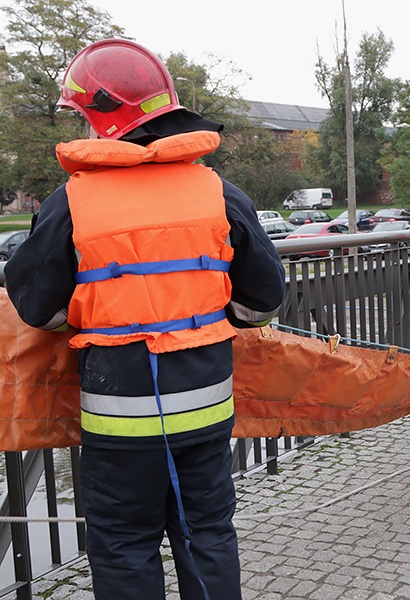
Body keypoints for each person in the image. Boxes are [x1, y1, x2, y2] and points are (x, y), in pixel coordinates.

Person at [4, 39, 286, 600]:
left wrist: (99, 316)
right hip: (207, 409)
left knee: (125, 545)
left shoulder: (73, 202)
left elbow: (38, 308)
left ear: (102, 119)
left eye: (82, 116)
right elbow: (265, 302)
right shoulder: (219, 193)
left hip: (118, 417)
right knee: (206, 534)